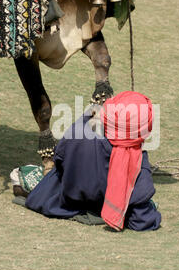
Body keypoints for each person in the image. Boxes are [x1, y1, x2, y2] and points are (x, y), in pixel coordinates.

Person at [14, 91, 161, 231]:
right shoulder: (137, 159)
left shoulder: (80, 132)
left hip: (64, 200)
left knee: (23, 176)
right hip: (100, 204)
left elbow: (59, 160)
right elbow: (141, 220)